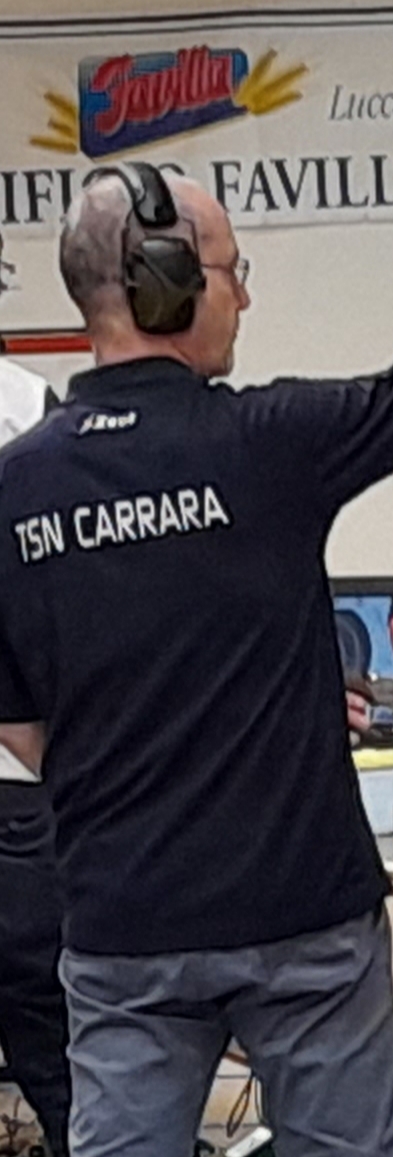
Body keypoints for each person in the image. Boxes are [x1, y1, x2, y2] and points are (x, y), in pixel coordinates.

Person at [0, 160, 393, 1157]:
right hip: (304, 918)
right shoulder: (269, 440)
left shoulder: (15, 489)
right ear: (166, 282)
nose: (245, 296)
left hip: (123, 926)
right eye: (233, 271)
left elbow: (20, 719)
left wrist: (133, 780)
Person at [0, 229, 69, 1157]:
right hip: (27, 783)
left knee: (58, 1054)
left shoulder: (33, 410)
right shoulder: (32, 412)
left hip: (23, 789)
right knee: (60, 1062)